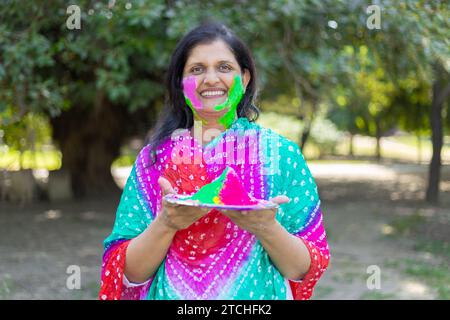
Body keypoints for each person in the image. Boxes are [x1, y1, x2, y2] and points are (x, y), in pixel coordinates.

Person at [99, 22, 330, 300]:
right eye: (196, 69)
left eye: (224, 67)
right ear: (181, 84)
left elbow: (306, 269)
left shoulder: (281, 156)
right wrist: (167, 223)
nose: (210, 79)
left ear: (244, 79)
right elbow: (128, 274)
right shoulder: (154, 161)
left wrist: (265, 227)